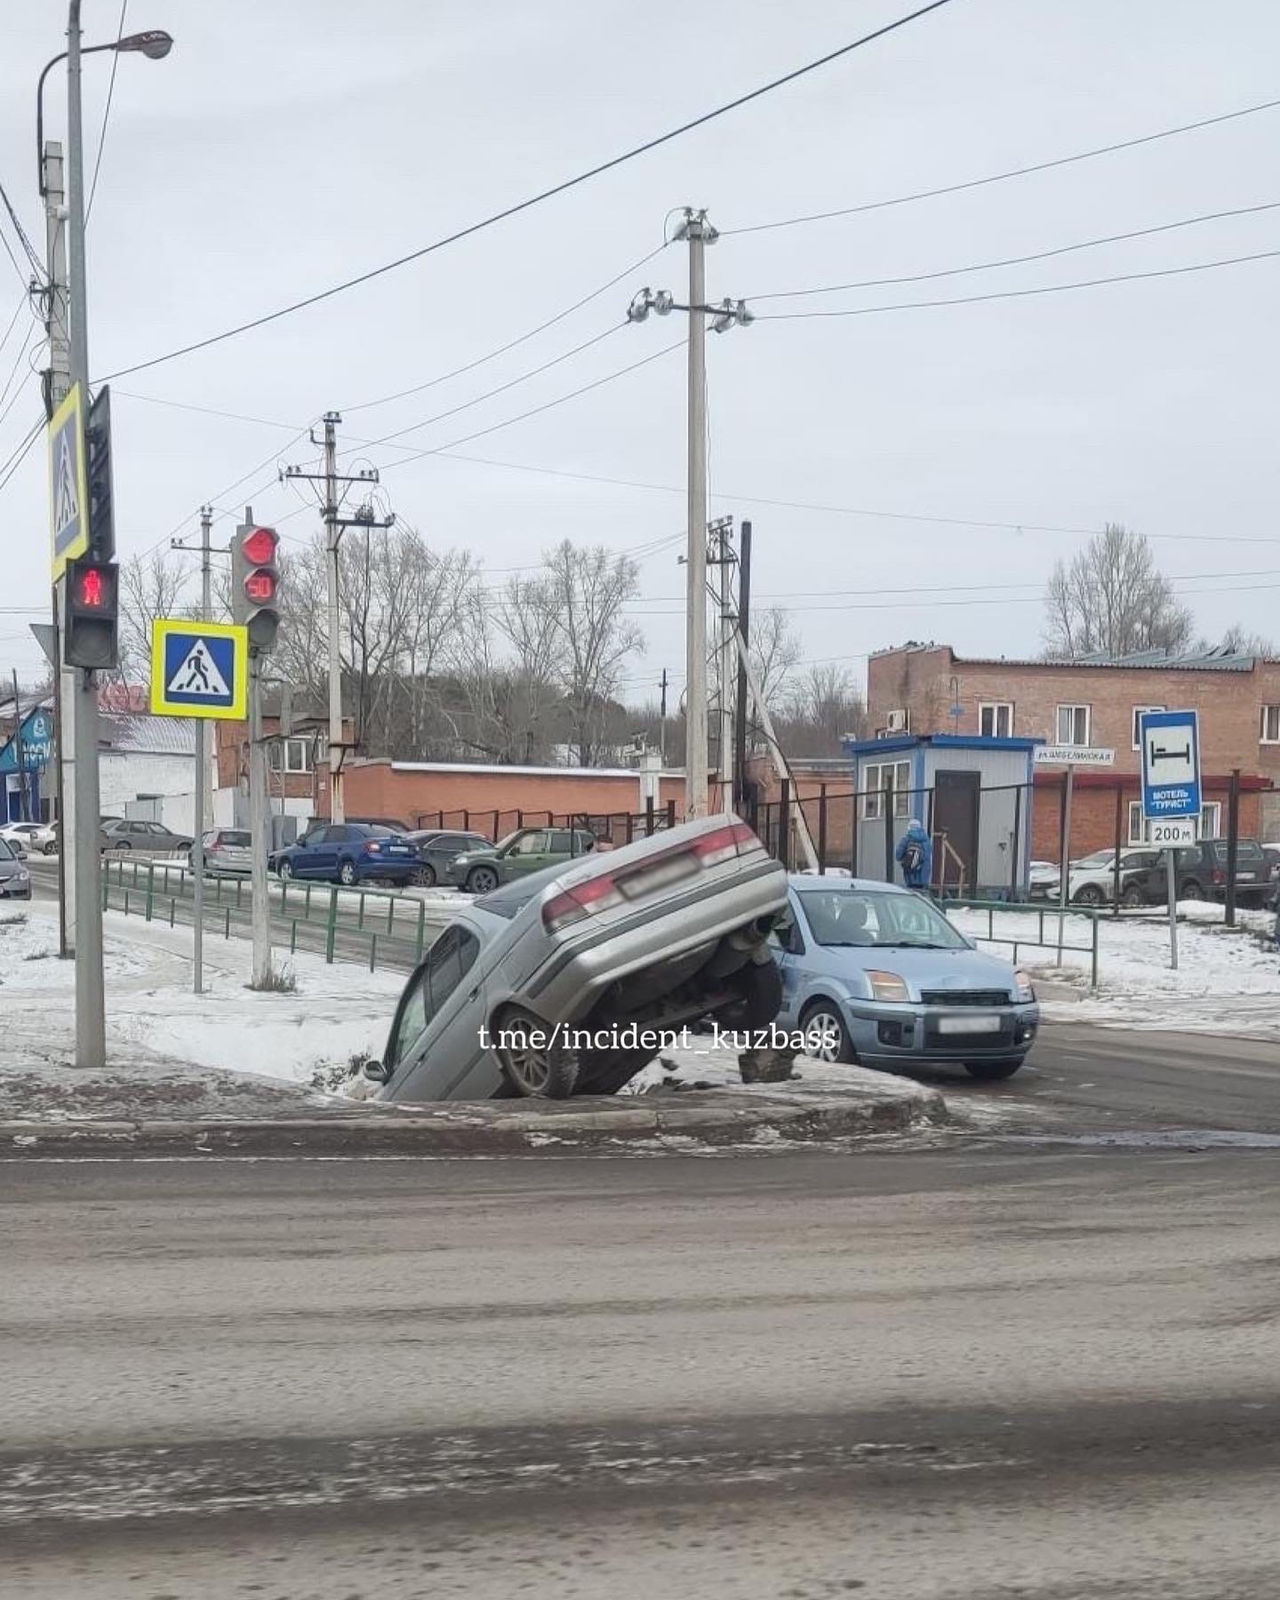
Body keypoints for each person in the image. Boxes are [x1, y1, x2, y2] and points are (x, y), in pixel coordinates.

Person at [895, 818, 933, 891]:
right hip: (924, 878)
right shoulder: (927, 841)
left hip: (910, 876)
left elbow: (898, 856)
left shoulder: (906, 839)